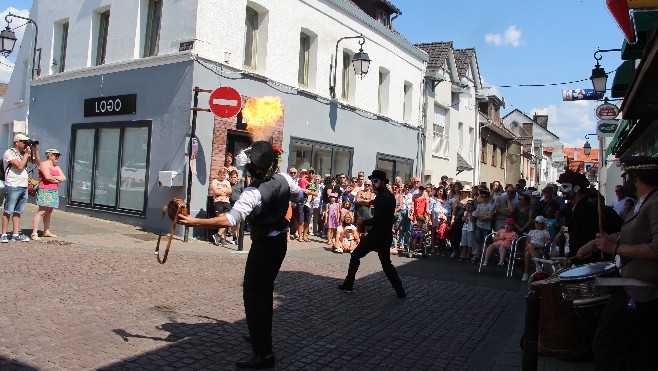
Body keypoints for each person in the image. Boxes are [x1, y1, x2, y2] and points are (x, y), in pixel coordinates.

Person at [178, 141, 304, 369]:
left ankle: (263, 354)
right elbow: (300, 196)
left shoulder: (252, 192)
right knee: (265, 291)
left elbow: (230, 219)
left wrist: (194, 221)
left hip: (265, 246)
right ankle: (260, 334)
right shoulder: (285, 179)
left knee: (254, 295)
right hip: (279, 244)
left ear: (254, 169)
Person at [573, 155, 658, 370]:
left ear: (637, 176)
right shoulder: (644, 201)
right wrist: (598, 243)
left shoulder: (655, 202)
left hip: (642, 290)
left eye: (627, 175)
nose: (624, 179)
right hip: (630, 284)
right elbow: (635, 234)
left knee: (606, 343)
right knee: (635, 349)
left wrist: (616, 249)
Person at [338, 170, 406, 298]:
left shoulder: (382, 197)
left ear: (383, 182)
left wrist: (363, 221)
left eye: (376, 181)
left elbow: (378, 219)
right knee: (386, 264)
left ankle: (348, 284)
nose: (374, 184)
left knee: (356, 255)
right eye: (373, 181)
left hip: (377, 235)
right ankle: (400, 291)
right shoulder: (388, 196)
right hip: (384, 235)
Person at [2, 134, 41, 243]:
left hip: (23, 186)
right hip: (12, 185)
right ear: (17, 142)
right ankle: (4, 234)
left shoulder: (24, 154)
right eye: (24, 142)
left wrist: (35, 150)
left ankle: (15, 234)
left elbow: (38, 162)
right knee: (8, 210)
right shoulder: (9, 153)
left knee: (18, 211)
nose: (25, 144)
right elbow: (19, 166)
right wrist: (27, 154)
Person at [556, 170, 599, 258]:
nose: (561, 190)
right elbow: (568, 226)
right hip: (575, 253)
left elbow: (589, 232)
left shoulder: (587, 207)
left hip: (587, 256)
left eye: (565, 187)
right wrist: (561, 232)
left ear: (576, 188)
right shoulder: (569, 207)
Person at [31, 149, 66, 241]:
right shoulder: (43, 164)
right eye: (56, 155)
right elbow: (47, 177)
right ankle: (34, 232)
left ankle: (46, 230)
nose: (57, 158)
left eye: (58, 156)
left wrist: (53, 178)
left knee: (49, 211)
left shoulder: (56, 167)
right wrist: (56, 178)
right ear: (50, 156)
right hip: (45, 190)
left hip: (54, 190)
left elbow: (63, 178)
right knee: (41, 211)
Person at [521, 216, 551, 281]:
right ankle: (538, 265)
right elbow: (527, 242)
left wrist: (537, 246)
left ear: (542, 224)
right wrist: (532, 245)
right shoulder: (531, 231)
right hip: (530, 246)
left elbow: (546, 245)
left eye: (538, 223)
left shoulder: (546, 232)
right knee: (530, 246)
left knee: (527, 254)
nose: (536, 224)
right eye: (535, 222)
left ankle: (525, 273)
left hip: (539, 249)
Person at [210, 166, 232, 246]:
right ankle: (222, 239)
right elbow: (216, 191)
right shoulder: (215, 181)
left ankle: (218, 235)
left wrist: (221, 191)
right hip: (218, 202)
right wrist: (224, 192)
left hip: (226, 202)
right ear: (218, 174)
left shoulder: (227, 182)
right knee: (221, 220)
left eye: (224, 175)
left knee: (227, 219)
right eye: (221, 175)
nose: (223, 177)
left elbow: (230, 191)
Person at [473, 189, 495, 263]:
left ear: (488, 197)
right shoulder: (479, 205)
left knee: (486, 242)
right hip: (479, 225)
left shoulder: (491, 206)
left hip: (487, 226)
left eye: (485, 197)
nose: (483, 198)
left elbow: (490, 216)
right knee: (478, 242)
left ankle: (485, 258)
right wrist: (483, 216)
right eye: (482, 197)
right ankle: (478, 256)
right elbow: (476, 215)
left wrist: (481, 216)